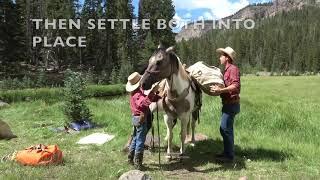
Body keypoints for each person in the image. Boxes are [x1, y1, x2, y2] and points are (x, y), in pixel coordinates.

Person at [210, 47, 241, 162]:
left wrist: (220, 91)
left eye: (221, 56)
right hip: (228, 104)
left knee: (225, 129)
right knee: (226, 129)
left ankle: (229, 156)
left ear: (227, 58)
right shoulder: (226, 70)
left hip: (231, 104)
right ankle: (227, 153)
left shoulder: (233, 69)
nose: (220, 57)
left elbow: (235, 86)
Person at [126, 72, 161, 170]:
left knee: (136, 139)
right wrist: (153, 92)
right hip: (140, 119)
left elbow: (146, 100)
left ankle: (130, 158)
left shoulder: (136, 92)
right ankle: (138, 163)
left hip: (136, 118)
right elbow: (143, 104)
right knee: (140, 140)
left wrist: (156, 95)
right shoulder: (137, 94)